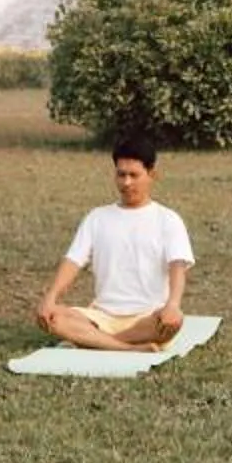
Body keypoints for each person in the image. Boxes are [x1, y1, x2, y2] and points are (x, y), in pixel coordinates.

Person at [36, 141, 195, 351]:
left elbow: (178, 267)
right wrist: (50, 298)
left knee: (174, 322)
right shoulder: (97, 217)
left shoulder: (168, 219)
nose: (127, 183)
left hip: (147, 318)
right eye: (121, 175)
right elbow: (73, 261)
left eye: (134, 175)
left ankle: (95, 341)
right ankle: (126, 348)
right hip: (102, 316)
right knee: (54, 317)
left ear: (152, 175)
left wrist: (173, 305)